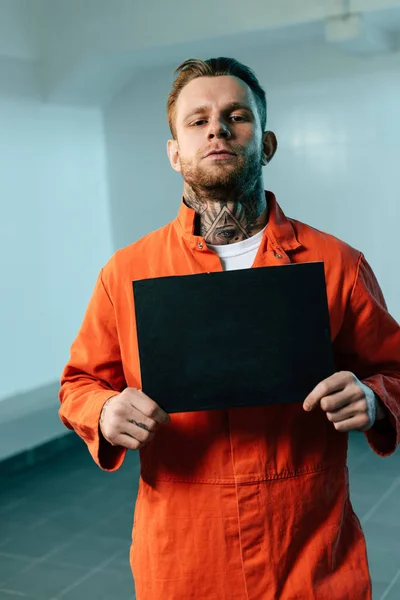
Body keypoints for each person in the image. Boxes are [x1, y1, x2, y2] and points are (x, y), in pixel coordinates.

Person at [59, 57, 400, 600]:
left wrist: (375, 397)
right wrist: (103, 411)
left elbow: (394, 369)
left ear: (265, 144)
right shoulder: (126, 273)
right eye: (196, 121)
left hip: (310, 552)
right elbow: (78, 384)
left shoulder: (337, 264)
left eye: (235, 115)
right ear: (175, 153)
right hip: (184, 555)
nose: (217, 128)